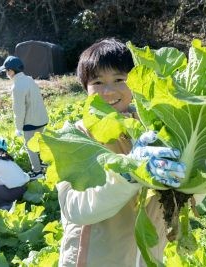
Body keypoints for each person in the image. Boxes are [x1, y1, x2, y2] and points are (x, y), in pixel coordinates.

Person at [57, 38, 188, 267]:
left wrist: (199, 181)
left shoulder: (155, 128)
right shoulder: (75, 137)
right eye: (97, 82)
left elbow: (177, 192)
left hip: (148, 254)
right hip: (94, 258)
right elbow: (75, 208)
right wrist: (129, 172)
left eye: (119, 79)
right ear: (85, 88)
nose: (109, 91)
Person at [0, 56, 49, 179]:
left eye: (6, 71)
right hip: (42, 119)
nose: (6, 73)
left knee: (30, 146)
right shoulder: (29, 79)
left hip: (30, 122)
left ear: (11, 71)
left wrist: (19, 128)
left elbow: (19, 110)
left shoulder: (17, 87)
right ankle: (43, 164)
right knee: (39, 142)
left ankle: (37, 172)